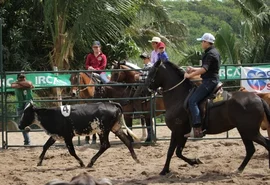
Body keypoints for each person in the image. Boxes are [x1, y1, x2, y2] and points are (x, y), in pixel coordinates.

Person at [184, 33, 221, 138]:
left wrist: (190, 75)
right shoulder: (214, 52)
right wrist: (194, 68)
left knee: (192, 101)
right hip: (212, 80)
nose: (201, 43)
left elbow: (204, 69)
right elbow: (206, 68)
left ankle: (197, 128)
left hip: (209, 81)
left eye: (202, 41)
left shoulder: (210, 54)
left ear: (206, 42)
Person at [11, 72, 34, 145]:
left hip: (28, 103)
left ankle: (26, 126)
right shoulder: (16, 83)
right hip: (20, 105)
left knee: (26, 109)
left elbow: (29, 84)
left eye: (23, 77)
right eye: (21, 77)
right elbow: (13, 85)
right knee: (22, 125)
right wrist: (24, 84)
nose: (22, 79)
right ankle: (27, 142)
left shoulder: (28, 82)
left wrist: (20, 83)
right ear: (18, 78)